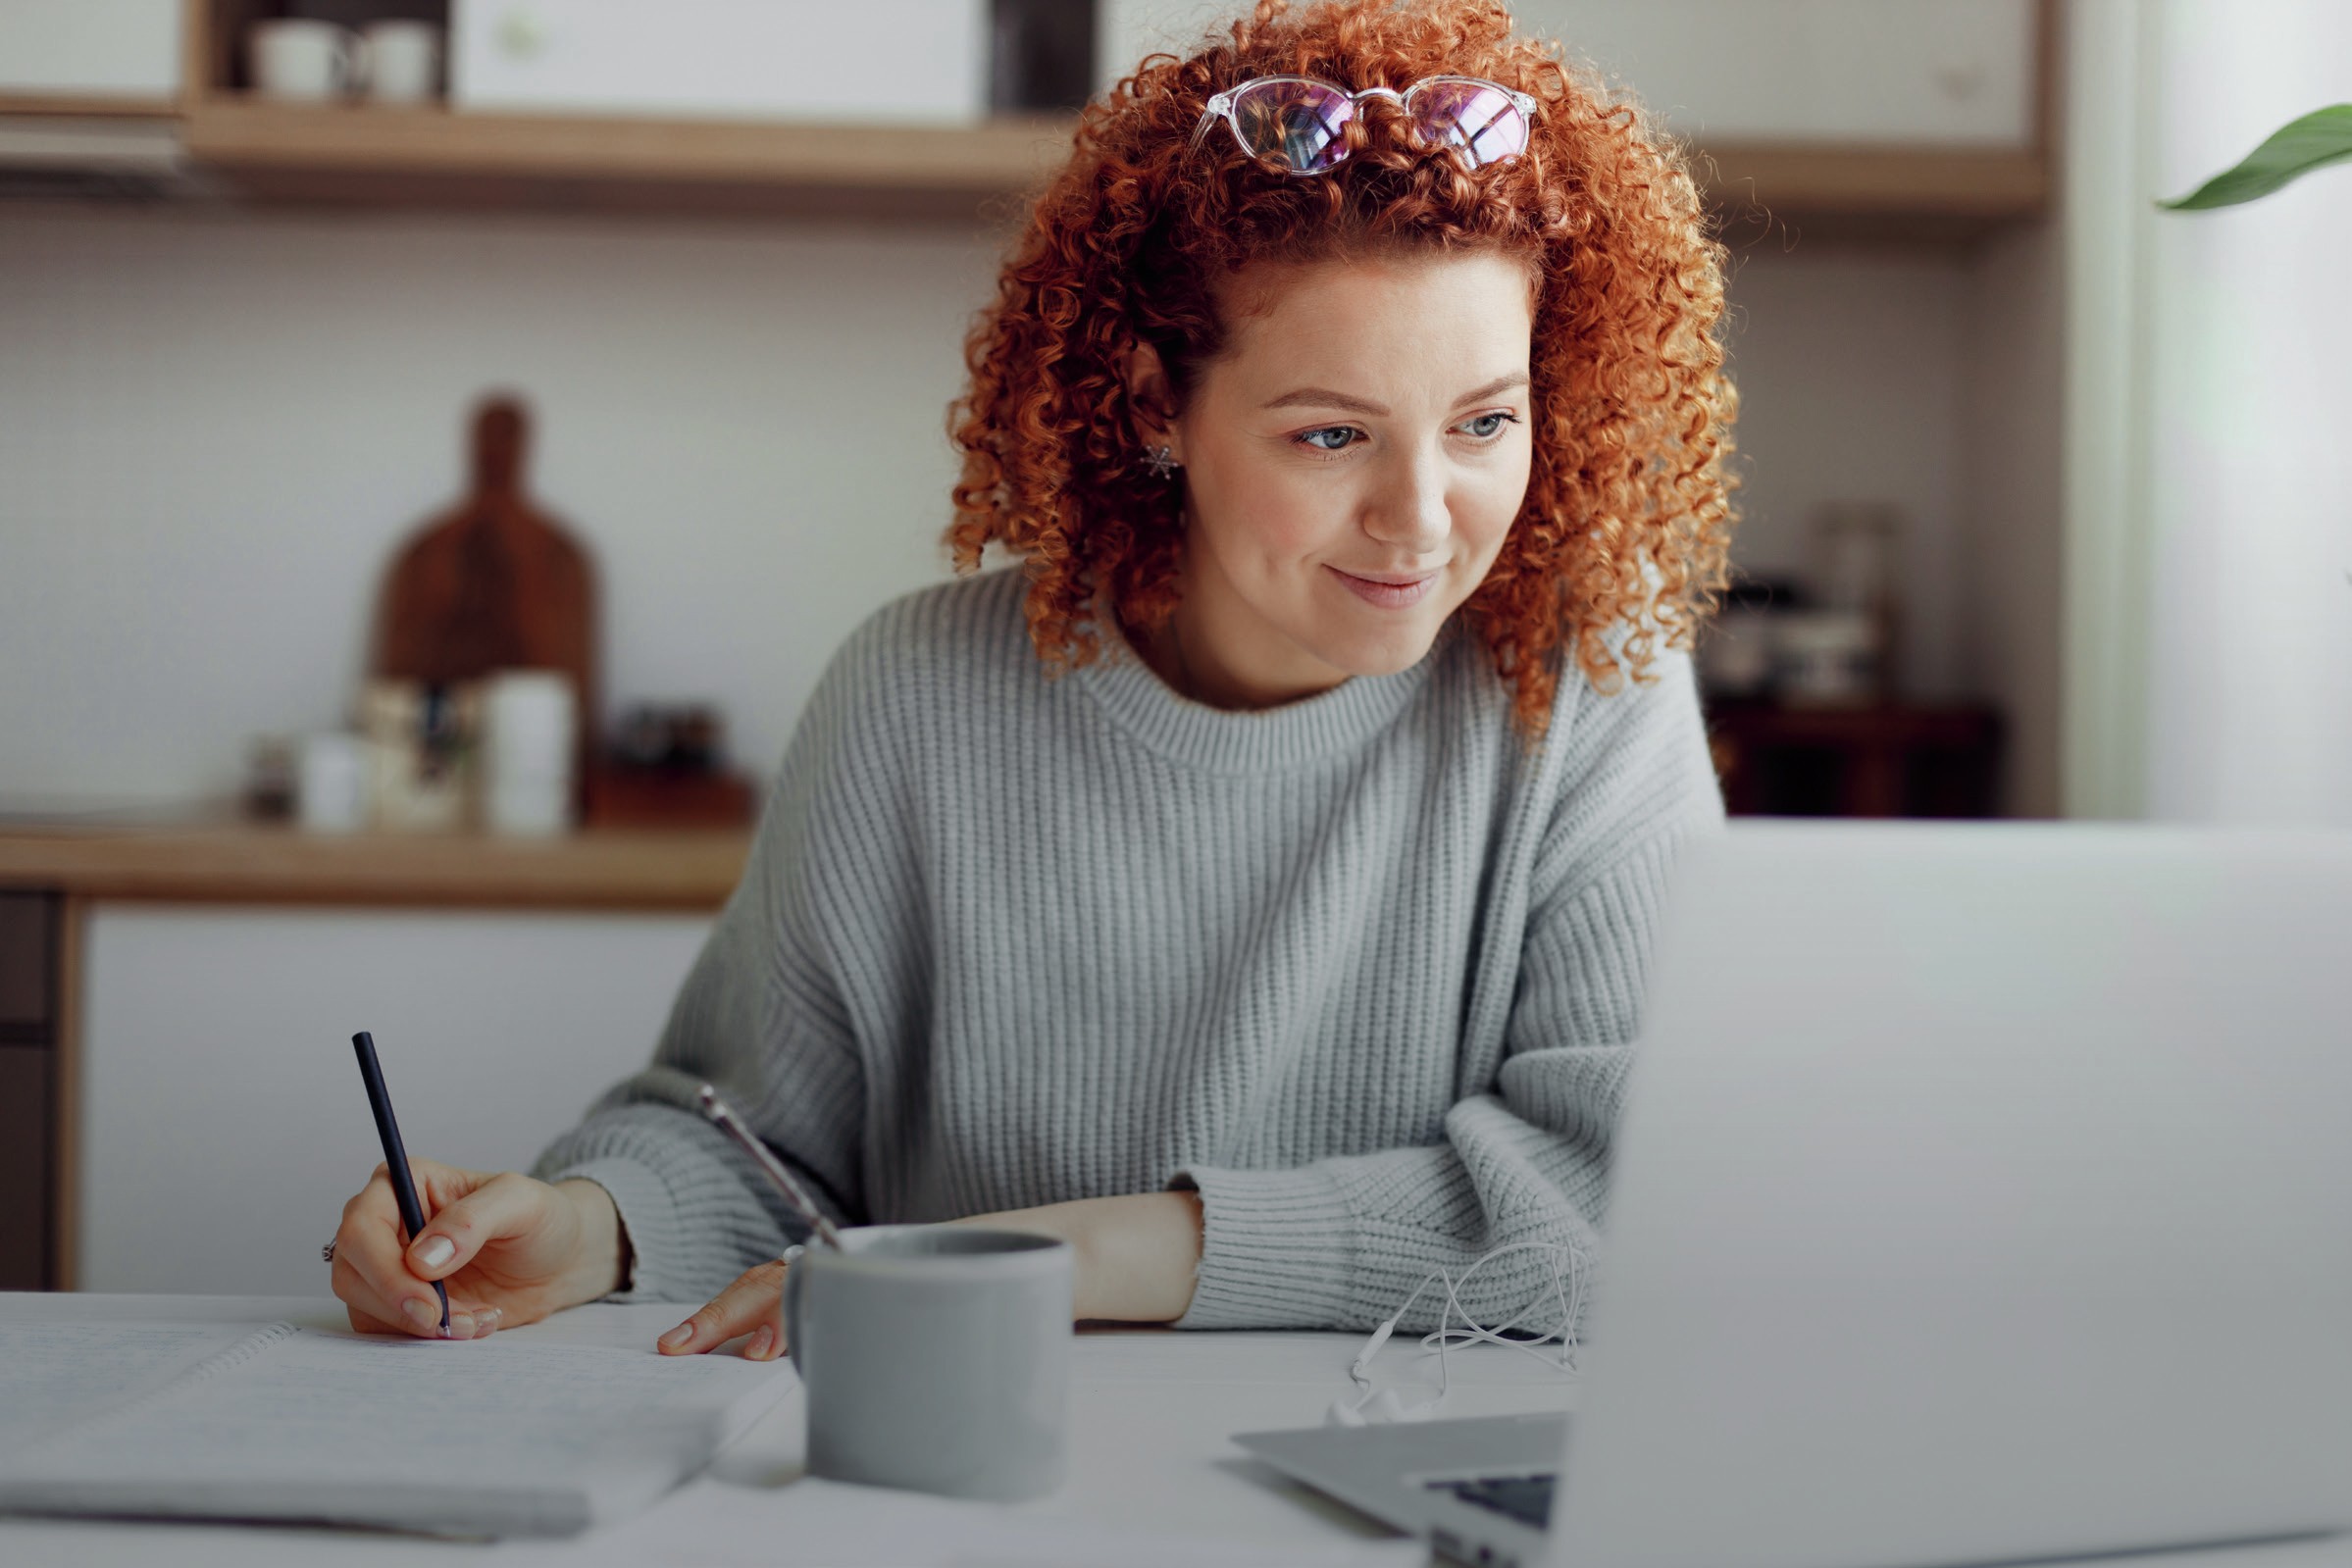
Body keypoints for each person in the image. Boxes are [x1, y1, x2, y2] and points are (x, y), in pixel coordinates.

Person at [327, 0, 1738, 1358]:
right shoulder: (915, 696)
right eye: (1329, 437)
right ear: (1149, 407)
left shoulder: (1588, 688)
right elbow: (753, 1142)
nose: (1423, 517)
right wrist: (595, 1223)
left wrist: (1103, 1255)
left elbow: (1641, 1192)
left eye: (1485, 422)